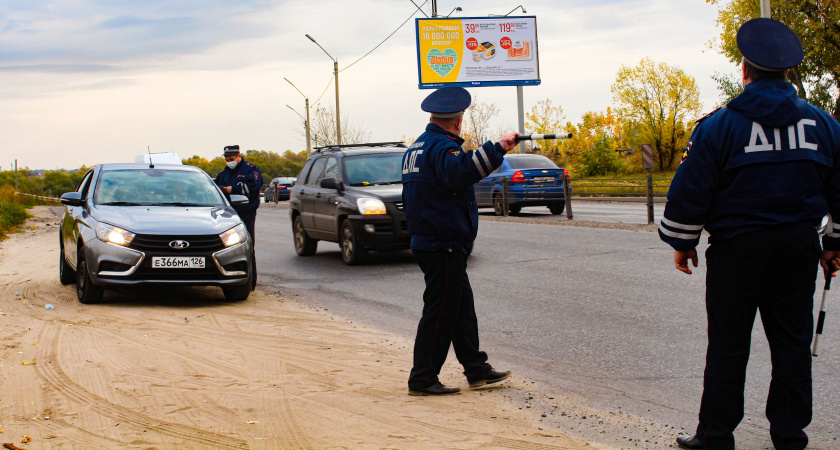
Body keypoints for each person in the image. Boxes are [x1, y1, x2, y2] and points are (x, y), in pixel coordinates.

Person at [659, 18, 840, 450]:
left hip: (737, 249)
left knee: (727, 344)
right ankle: (790, 434)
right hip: (798, 248)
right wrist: (834, 243)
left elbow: (692, 191)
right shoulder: (825, 126)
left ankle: (716, 434)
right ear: (788, 73)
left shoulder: (718, 126)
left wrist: (684, 244)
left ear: (745, 72)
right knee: (793, 345)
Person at [401, 86, 519, 396]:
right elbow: (461, 173)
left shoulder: (418, 147)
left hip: (433, 239)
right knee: (440, 312)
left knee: (460, 308)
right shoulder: (442, 148)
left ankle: (476, 369)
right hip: (443, 242)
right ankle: (423, 378)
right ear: (458, 121)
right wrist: (498, 148)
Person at [214, 145, 263, 290]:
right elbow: (216, 188)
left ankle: (251, 282)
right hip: (228, 215)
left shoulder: (250, 169)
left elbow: (254, 187)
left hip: (246, 212)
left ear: (239, 156)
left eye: (232, 159)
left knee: (247, 247)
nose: (230, 161)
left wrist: (232, 189)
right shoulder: (224, 173)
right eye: (227, 159)